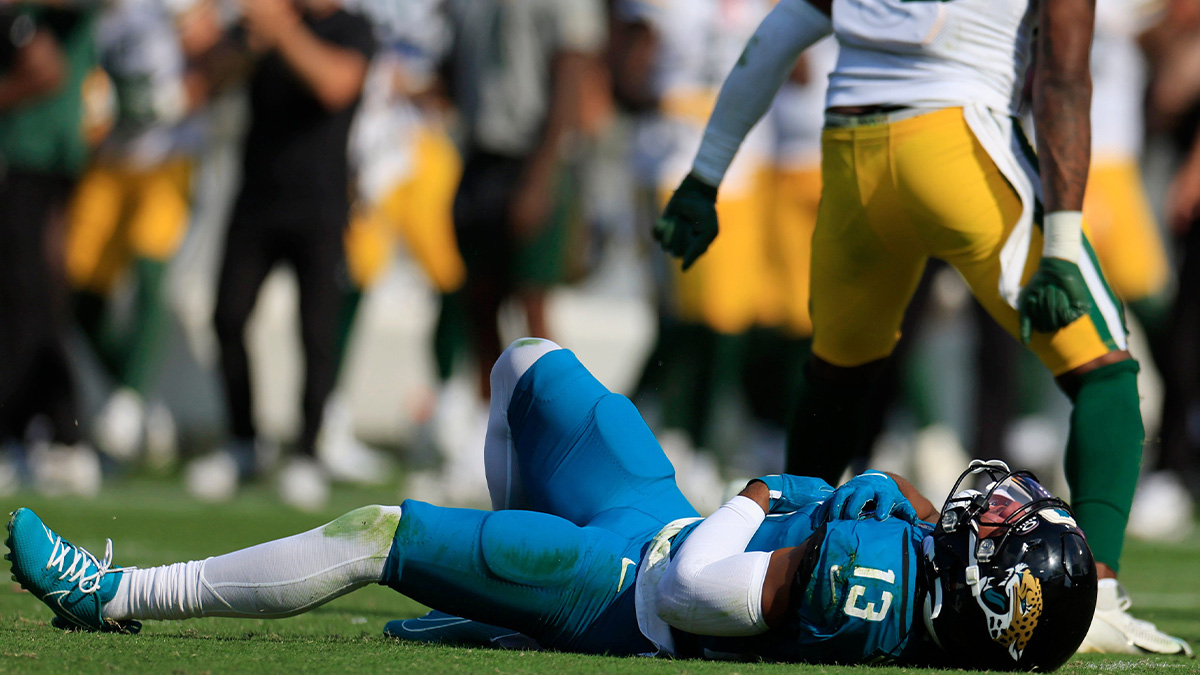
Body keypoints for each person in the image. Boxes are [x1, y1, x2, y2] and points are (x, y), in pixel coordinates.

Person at [8, 339, 1098, 671]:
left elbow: (698, 584)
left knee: (376, 536)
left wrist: (766, 490)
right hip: (650, 517)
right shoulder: (930, 576)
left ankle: (113, 594)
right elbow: (895, 504)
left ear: (988, 592)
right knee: (530, 364)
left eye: (1008, 532)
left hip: (625, 584)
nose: (995, 509)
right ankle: (490, 595)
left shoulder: (874, 590)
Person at [653, 0, 1192, 656]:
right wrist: (1063, 242)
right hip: (956, 143)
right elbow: (1063, 80)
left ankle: (777, 569)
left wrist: (706, 174)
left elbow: (782, 30)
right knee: (1106, 371)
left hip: (852, 155)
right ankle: (1096, 599)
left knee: (835, 381)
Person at [185, 0, 375, 510]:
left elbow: (336, 85)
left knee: (315, 333)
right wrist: (250, 42)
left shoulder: (350, 27)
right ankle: (243, 441)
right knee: (227, 317)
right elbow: (206, 84)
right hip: (256, 202)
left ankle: (308, 454)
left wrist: (283, 32)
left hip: (321, 207)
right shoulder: (258, 28)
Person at [1, 0, 103, 496]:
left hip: (41, 149)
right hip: (28, 147)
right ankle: (50, 431)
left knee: (31, 293)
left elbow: (47, 69)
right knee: (28, 295)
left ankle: (50, 432)